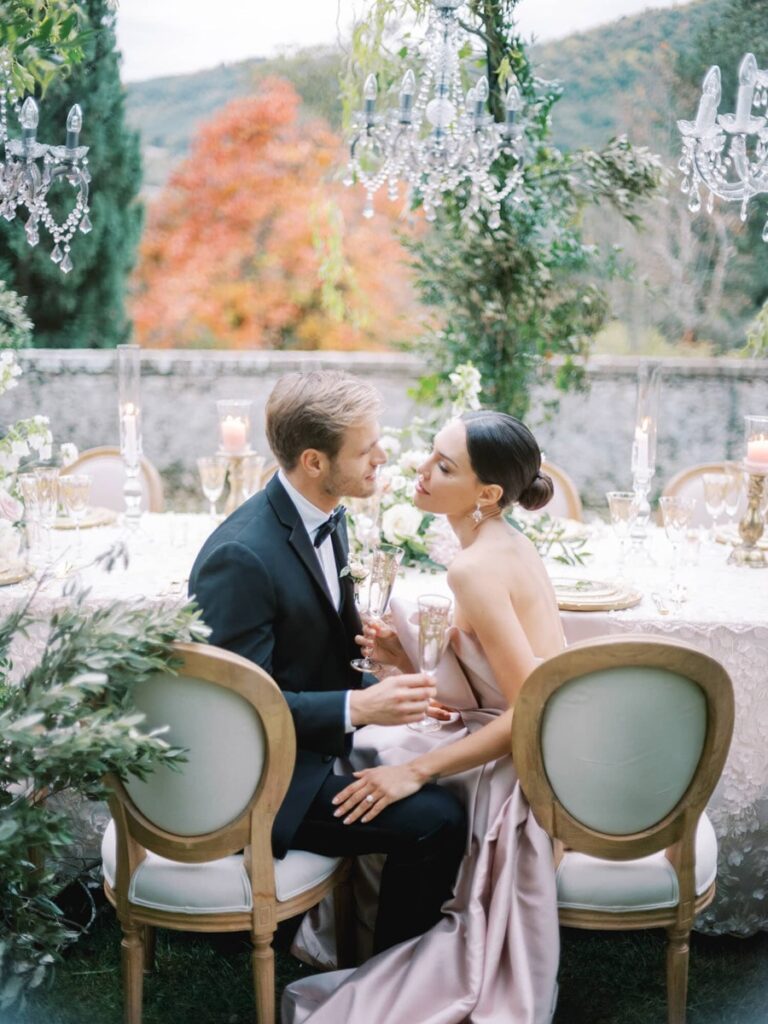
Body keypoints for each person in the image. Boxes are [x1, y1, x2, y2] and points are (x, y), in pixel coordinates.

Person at [283, 410, 564, 1024]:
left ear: (487, 494)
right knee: (372, 744)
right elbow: (489, 675)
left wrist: (421, 772)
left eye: (444, 466)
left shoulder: (475, 566)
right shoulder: (503, 541)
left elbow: (528, 710)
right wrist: (402, 656)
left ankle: (387, 950)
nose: (422, 469)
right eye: (430, 455)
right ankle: (375, 938)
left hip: (516, 763)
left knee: (377, 760)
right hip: (506, 728)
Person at [188, 370, 466, 954]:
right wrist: (359, 705)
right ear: (314, 461)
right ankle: (394, 982)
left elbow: (313, 651)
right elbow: (235, 714)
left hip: (312, 747)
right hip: (262, 779)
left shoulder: (321, 513)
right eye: (366, 450)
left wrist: (382, 673)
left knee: (444, 760)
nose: (382, 458)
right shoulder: (241, 557)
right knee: (437, 818)